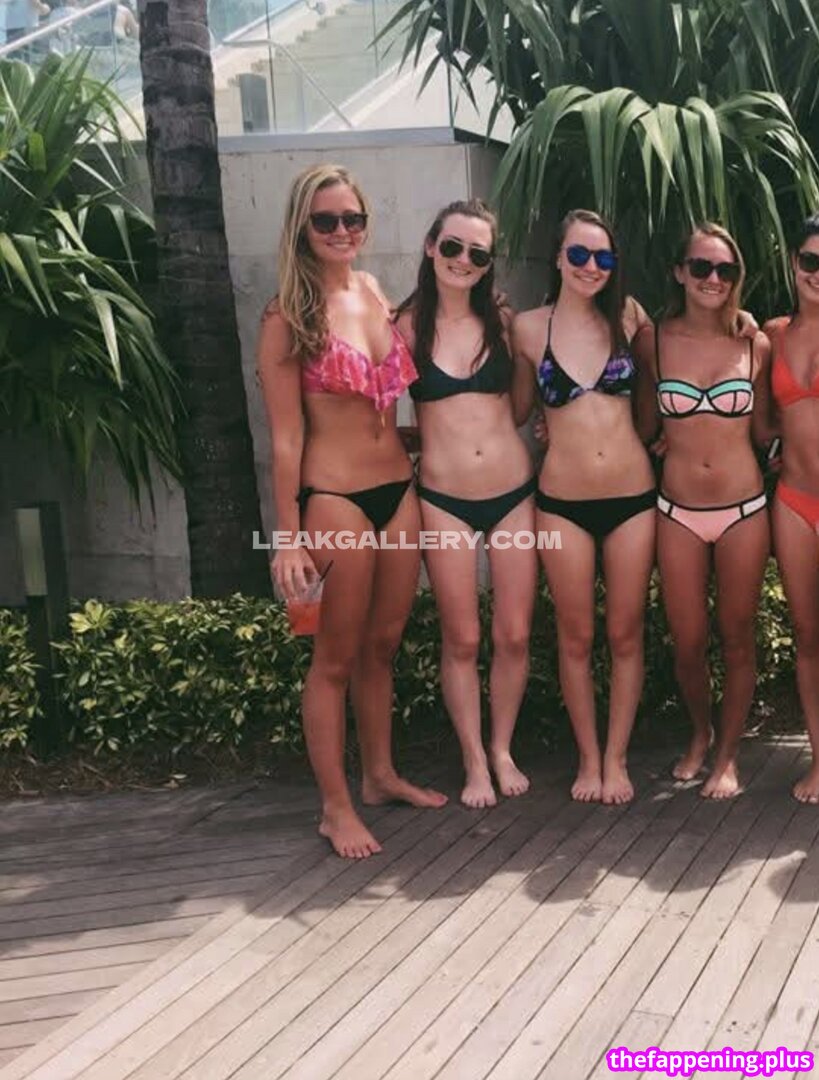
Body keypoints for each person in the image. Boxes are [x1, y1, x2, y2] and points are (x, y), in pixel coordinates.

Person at [257, 163, 447, 859]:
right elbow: (285, 439)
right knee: (333, 658)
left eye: (353, 218)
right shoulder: (285, 317)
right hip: (334, 500)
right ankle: (334, 807)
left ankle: (379, 775)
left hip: (397, 490)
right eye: (326, 220)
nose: (342, 231)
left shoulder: (371, 291)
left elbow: (382, 404)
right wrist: (288, 539)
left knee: (383, 644)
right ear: (301, 228)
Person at [395, 199, 536, 809]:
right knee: (462, 638)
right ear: (431, 246)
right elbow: (375, 409)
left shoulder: (502, 321)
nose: (463, 260)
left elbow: (524, 405)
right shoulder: (403, 327)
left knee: (514, 633)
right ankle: (474, 760)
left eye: (478, 253)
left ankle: (502, 749)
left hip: (513, 494)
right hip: (444, 499)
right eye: (452, 246)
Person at [513, 209, 657, 805]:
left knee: (625, 633)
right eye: (578, 254)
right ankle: (589, 757)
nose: (591, 267)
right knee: (575, 637)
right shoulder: (527, 328)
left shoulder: (630, 317)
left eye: (603, 257)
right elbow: (516, 409)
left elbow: (665, 377)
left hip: (632, 498)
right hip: (562, 504)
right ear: (558, 258)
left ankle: (617, 757)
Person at [634, 222, 773, 799]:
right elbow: (643, 423)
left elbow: (765, 429)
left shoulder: (753, 343)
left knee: (737, 636)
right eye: (701, 266)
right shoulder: (653, 341)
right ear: (679, 272)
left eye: (726, 269)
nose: (713, 278)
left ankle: (728, 754)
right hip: (678, 511)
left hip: (745, 509)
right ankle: (700, 731)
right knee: (687, 640)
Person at [763, 213, 819, 803]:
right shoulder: (773, 334)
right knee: (806, 633)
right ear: (794, 263)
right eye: (811, 261)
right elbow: (759, 421)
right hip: (794, 500)